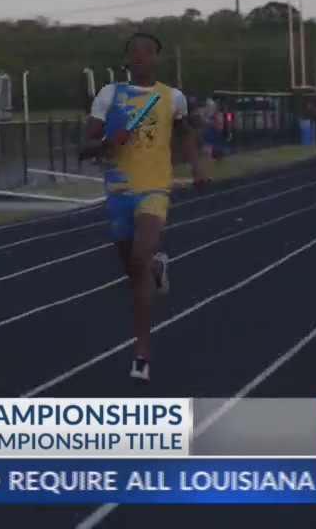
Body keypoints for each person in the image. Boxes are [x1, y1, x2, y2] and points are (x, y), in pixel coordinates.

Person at [80, 32, 206, 383]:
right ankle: (155, 269)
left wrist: (197, 167)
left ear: (157, 58)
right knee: (134, 270)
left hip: (154, 188)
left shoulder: (172, 98)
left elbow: (185, 134)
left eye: (148, 51)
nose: (141, 56)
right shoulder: (109, 95)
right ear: (126, 59)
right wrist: (108, 141)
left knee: (138, 258)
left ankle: (142, 352)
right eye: (134, 52)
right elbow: (84, 146)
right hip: (119, 190)